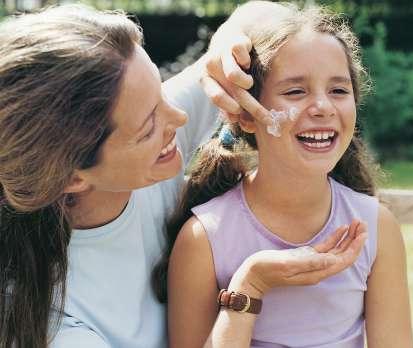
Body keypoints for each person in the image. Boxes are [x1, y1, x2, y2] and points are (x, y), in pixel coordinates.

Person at [0, 2, 366, 348]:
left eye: (161, 92)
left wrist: (227, 42)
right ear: (72, 178)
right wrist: (248, 287)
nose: (179, 118)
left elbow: (266, 14)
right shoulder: (50, 322)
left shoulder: (142, 119)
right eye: (148, 127)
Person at [165, 3, 413, 348]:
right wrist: (249, 285)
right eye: (296, 91)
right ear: (247, 116)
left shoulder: (376, 226)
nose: (324, 107)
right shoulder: (203, 239)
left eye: (339, 91)